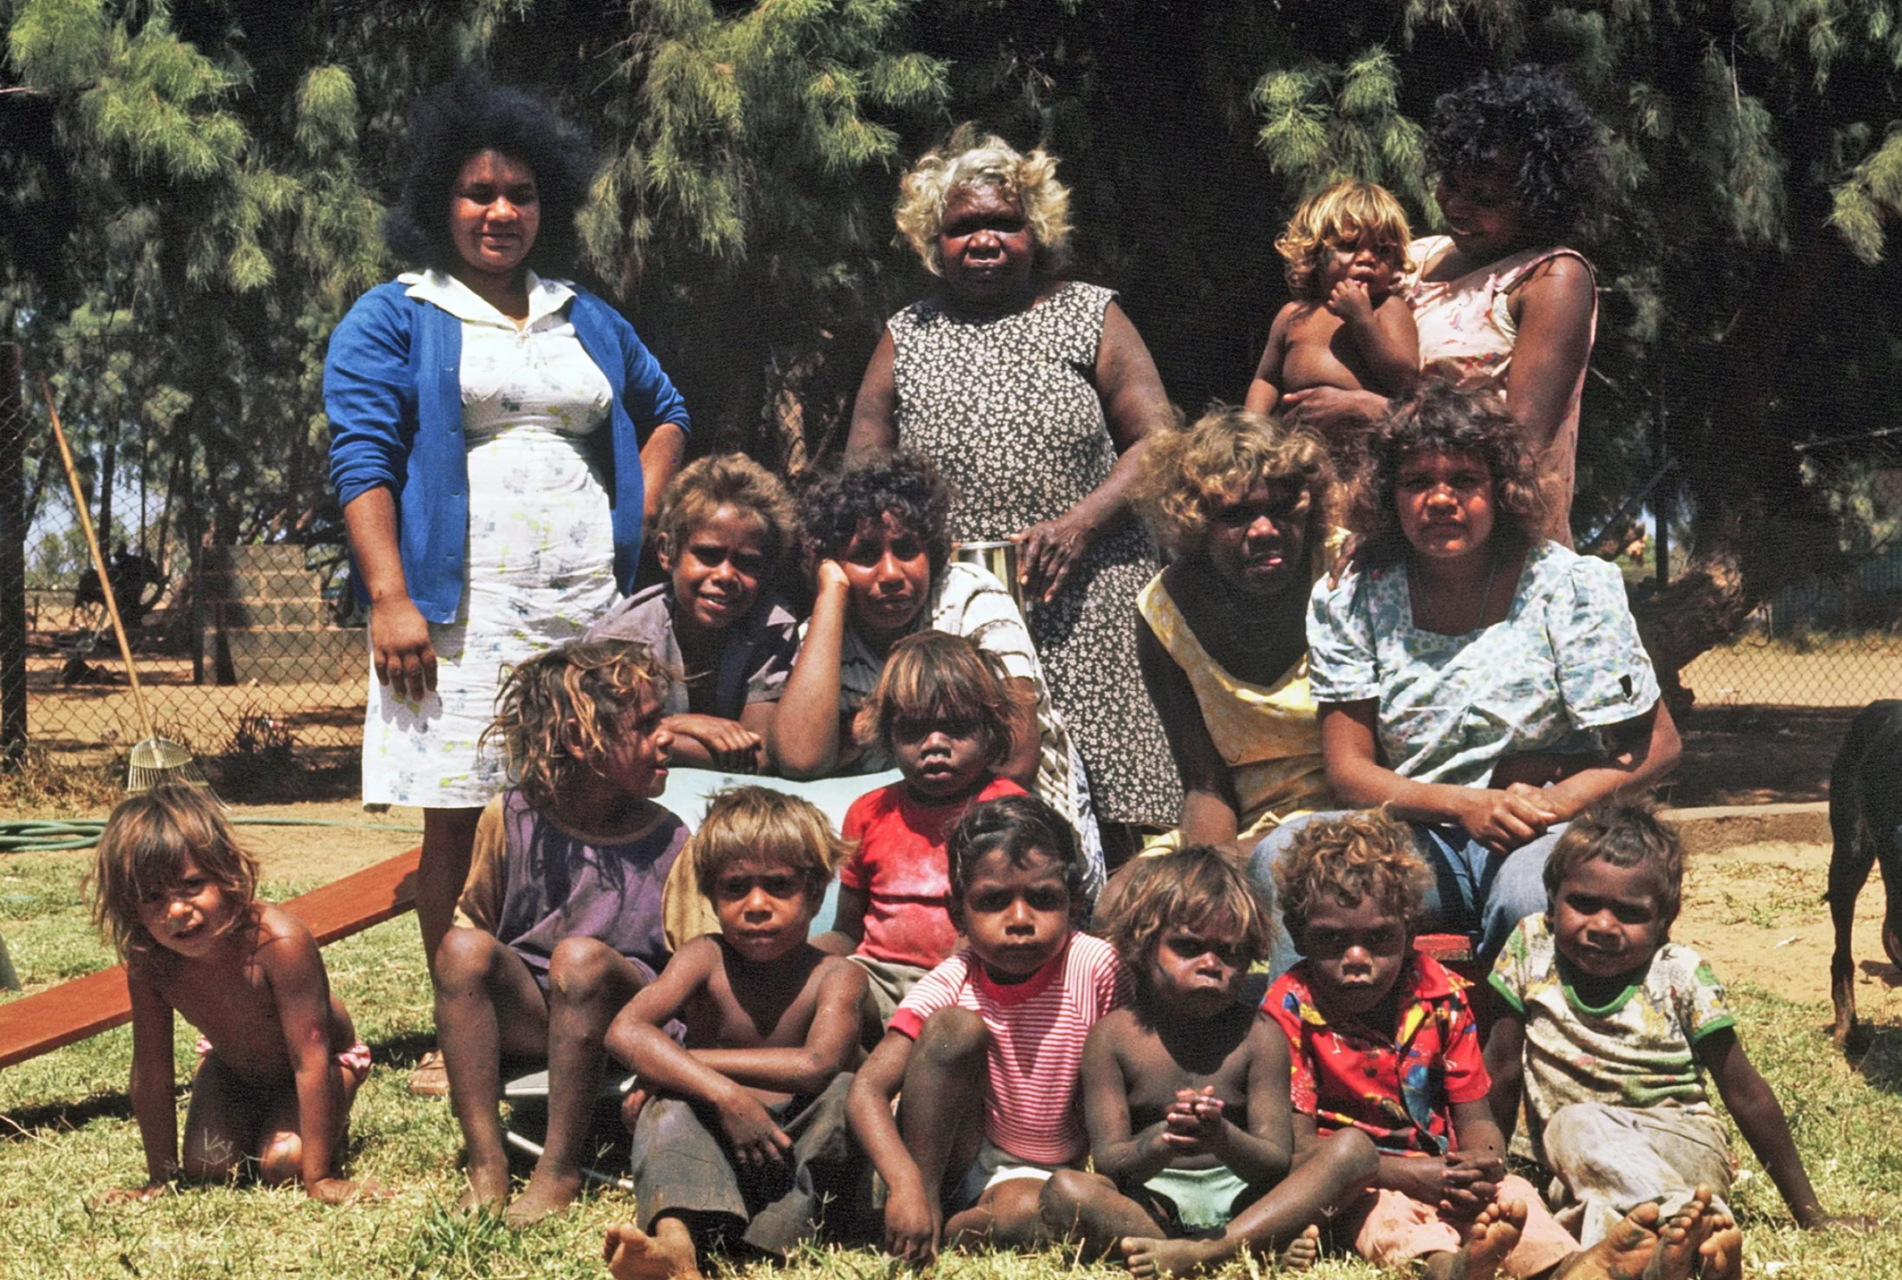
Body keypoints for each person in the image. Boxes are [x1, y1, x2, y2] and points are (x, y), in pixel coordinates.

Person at [324, 75, 691, 1026]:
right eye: (478, 193)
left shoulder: (587, 316)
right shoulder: (397, 312)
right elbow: (361, 457)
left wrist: (632, 517)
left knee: (581, 788)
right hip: (459, 602)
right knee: (464, 809)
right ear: (438, 204)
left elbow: (666, 412)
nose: (499, 212)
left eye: (520, 195)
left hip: (582, 601)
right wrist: (389, 598)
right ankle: (470, 1017)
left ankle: (567, 999)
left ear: (546, 207)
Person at [1251, 384, 1680, 976]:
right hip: (1416, 837)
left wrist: (1548, 806)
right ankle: (1306, 1055)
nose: (1440, 500)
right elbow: (1349, 772)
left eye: (1465, 480)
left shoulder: (1567, 588)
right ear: (1388, 495)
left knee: (1532, 899)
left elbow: (1656, 746)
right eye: (1416, 482)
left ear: (1502, 490)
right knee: (1283, 860)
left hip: (1543, 831)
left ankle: (1523, 1062)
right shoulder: (1355, 597)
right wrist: (1466, 805)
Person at [846, 127, 1182, 854]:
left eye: (1004, 222)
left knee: (1124, 804)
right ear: (934, 242)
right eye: (963, 227)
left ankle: (1122, 949)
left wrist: (1079, 525)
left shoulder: (1090, 313)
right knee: (982, 802)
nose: (984, 240)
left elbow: (1159, 441)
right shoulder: (908, 333)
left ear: (1039, 229)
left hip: (1091, 595)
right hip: (962, 610)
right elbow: (862, 470)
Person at [1488, 801, 1865, 1264]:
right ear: (1551, 899)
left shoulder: (1680, 975)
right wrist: (1491, 1172)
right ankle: (1665, 1255)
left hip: (1680, 1147)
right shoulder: (1531, 946)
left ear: (1664, 920)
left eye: (1629, 913)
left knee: (1574, 1125)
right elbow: (1502, 1069)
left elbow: (1745, 1093)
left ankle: (1680, 1222)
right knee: (1571, 1195)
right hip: (1584, 1161)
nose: (1603, 925)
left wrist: (1811, 1213)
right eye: (1583, 904)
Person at [1265, 811, 1615, 1280]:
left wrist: (1482, 1168)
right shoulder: (1289, 1008)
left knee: (1512, 1197)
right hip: (1351, 1184)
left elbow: (1477, 1119)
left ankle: (1569, 1267)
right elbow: (1300, 1155)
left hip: (1441, 1172)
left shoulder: (1439, 994)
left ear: (1411, 929)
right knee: (1387, 1220)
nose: (1356, 960)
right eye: (1331, 940)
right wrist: (1402, 1177)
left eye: (1379, 939)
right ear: (1296, 930)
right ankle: (1449, 1269)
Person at [1281, 67, 1606, 544]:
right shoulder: (1419, 256)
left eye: (1484, 197)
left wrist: (1369, 409)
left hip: (1492, 549)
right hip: (1395, 534)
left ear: (1540, 201)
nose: (1456, 206)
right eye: (1450, 184)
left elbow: (1520, 443)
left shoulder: (1552, 279)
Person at [771, 450, 1104, 899]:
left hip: (1009, 846)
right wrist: (830, 592)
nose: (890, 573)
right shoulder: (828, 629)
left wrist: (862, 730)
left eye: (907, 550)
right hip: (895, 853)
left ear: (932, 552)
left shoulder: (969, 596)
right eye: (864, 555)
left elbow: (1015, 758)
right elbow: (800, 759)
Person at [431, 640, 687, 1224]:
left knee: (580, 960)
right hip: (538, 1013)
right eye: (646, 725)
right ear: (580, 740)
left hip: (620, 1017)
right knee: (459, 947)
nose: (668, 736)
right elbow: (476, 923)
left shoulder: (671, 840)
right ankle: (486, 1159)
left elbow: (694, 967)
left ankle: (558, 1168)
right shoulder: (513, 817)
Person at [1038, 847, 1377, 1275]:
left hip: (1247, 1198)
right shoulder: (1112, 1037)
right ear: (1142, 948)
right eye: (1188, 947)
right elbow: (1110, 1161)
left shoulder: (1260, 1034)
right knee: (1065, 1191)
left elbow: (1274, 1159)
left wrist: (1221, 1137)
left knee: (1355, 1152)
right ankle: (1239, 1247)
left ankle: (1207, 1253)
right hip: (1153, 1203)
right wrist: (1164, 1138)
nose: (1212, 965)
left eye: (1231, 953)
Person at [847, 794, 1131, 1259]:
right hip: (959, 1157)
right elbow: (867, 1091)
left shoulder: (1097, 967)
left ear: (1075, 901)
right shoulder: (955, 980)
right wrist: (907, 1187)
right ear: (957, 912)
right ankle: (930, 1212)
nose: (1020, 920)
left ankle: (973, 1227)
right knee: (953, 1030)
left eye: (1043, 899)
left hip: (1056, 1168)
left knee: (1049, 1205)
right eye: (994, 901)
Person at [601, 787, 869, 1280]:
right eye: (735, 888)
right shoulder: (705, 956)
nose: (757, 905)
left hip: (799, 1149)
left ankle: (773, 1238)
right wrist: (722, 1096)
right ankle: (675, 1249)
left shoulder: (838, 975)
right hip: (717, 1145)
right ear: (710, 894)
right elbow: (625, 1029)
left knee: (846, 1094)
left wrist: (684, 1066)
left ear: (815, 892)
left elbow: (817, 1066)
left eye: (779, 886)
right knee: (669, 1107)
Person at [88, 786, 380, 1204]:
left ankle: (320, 1132)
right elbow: (152, 1071)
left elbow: (310, 1058)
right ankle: (259, 1118)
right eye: (152, 897)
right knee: (209, 1167)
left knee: (284, 1165)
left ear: (227, 874)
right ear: (128, 905)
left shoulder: (278, 942)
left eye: (191, 885)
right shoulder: (151, 961)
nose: (175, 911)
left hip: (322, 1064)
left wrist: (320, 1178)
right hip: (233, 1070)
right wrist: (160, 1179)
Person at [1132, 408, 1338, 856]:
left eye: (1283, 510)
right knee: (1126, 901)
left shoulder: (1345, 574)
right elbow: (1206, 786)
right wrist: (1209, 875)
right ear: (1195, 521)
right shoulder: (1165, 612)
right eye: (1236, 515)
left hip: (1345, 818)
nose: (1264, 530)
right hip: (1243, 831)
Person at [817, 631, 1030, 1023]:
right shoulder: (869, 812)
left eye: (956, 727)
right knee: (828, 983)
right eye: (914, 730)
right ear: (888, 734)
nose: (934, 744)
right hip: (875, 979)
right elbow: (846, 929)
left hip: (967, 981)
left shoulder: (1008, 810)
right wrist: (797, 962)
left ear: (989, 728)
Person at [585, 454, 800, 773]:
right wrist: (680, 725)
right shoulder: (625, 637)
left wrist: (654, 733)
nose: (726, 575)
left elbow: (758, 753)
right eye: (708, 555)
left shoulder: (771, 627)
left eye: (747, 562)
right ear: (667, 552)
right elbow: (604, 741)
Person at [1244, 180, 1419, 461]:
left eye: (1382, 250)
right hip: (1294, 450)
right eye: (1349, 246)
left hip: (1365, 454)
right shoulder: (1293, 315)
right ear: (1315, 254)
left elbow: (1406, 380)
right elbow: (1266, 380)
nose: (1367, 258)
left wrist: (1362, 321)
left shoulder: (1388, 308)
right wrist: (1250, 429)